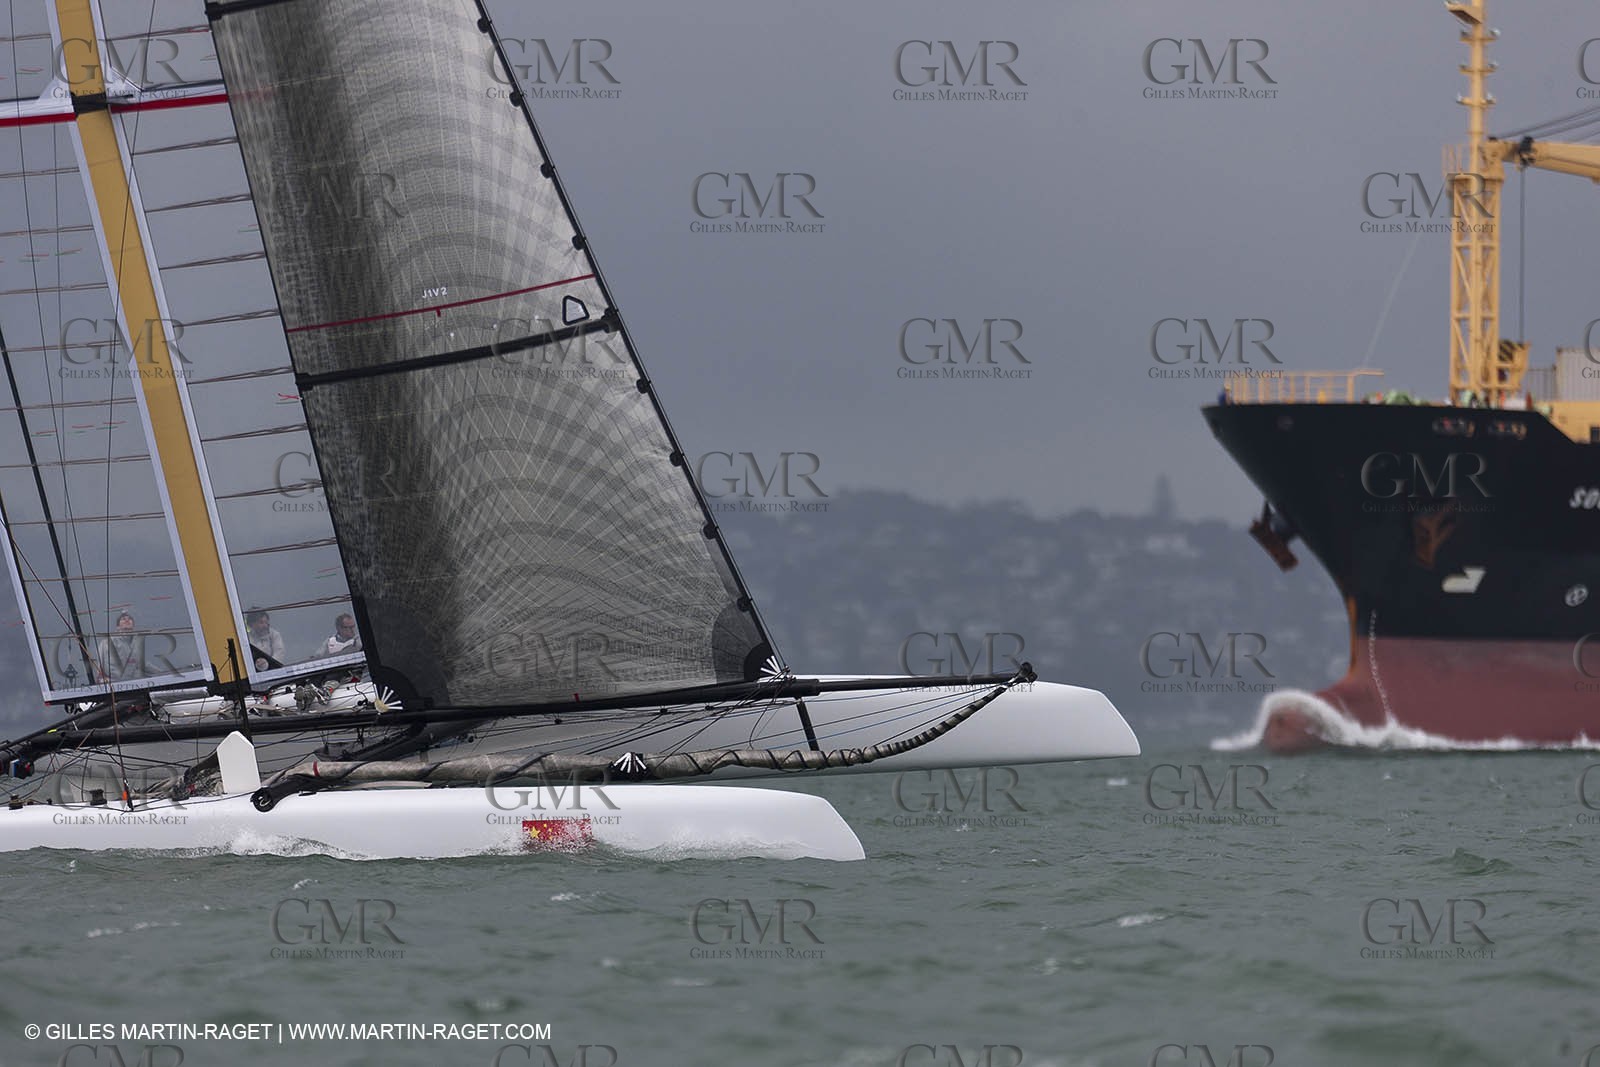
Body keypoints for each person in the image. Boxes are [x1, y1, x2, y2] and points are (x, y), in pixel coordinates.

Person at [96, 611, 144, 682]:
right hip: (113, 685)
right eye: (123, 619)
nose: (127, 620)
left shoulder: (137, 643)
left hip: (135, 683)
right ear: (117, 627)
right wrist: (126, 679)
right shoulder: (108, 643)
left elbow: (140, 665)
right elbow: (107, 667)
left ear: (133, 626)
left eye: (129, 619)